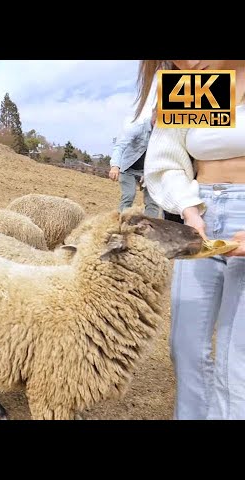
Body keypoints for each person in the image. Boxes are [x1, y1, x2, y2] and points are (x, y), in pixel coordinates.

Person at [139, 59, 245, 420]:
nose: (186, 61)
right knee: (185, 346)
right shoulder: (199, 86)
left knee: (237, 355)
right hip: (202, 214)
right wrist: (189, 208)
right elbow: (165, 160)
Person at [109, 107, 161, 218]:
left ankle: (149, 229)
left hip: (148, 170)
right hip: (128, 168)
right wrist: (115, 166)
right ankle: (122, 223)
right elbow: (120, 146)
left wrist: (149, 173)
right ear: (154, 112)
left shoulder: (165, 133)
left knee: (153, 202)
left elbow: (162, 156)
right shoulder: (137, 126)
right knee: (129, 196)